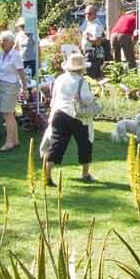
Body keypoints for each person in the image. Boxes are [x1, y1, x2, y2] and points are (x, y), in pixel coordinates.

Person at [45, 52, 96, 185]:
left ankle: (47, 176)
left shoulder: (60, 78)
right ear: (82, 68)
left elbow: (54, 96)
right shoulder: (81, 81)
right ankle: (85, 174)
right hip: (77, 116)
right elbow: (86, 99)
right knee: (85, 144)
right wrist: (93, 97)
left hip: (59, 113)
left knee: (56, 144)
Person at [0, 30, 27, 151]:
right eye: (0, 40)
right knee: (9, 114)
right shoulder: (1, 54)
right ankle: (15, 140)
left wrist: (25, 89)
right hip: (1, 84)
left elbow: (22, 72)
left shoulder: (15, 55)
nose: (1, 43)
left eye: (4, 40)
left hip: (11, 86)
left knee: (7, 114)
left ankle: (9, 142)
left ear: (11, 42)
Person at [80, 4, 106, 79]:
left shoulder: (96, 26)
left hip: (93, 55)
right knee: (92, 77)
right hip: (88, 53)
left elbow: (98, 42)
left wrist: (88, 38)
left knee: (90, 77)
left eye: (89, 13)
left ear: (95, 14)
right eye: (85, 14)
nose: (87, 16)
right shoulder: (89, 25)